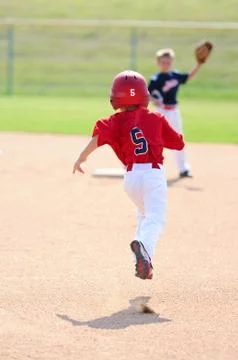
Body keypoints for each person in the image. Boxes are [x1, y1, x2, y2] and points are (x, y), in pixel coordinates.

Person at [73, 70, 184, 280]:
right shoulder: (156, 118)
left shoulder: (115, 121)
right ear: (145, 95)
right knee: (156, 219)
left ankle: (142, 262)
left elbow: (98, 137)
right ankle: (143, 248)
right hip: (152, 175)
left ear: (115, 97)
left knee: (143, 215)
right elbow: (178, 143)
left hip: (131, 180)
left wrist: (82, 157)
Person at [148, 48, 202, 178]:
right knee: (155, 139)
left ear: (172, 62)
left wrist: (199, 64)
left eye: (168, 62)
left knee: (178, 138)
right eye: (163, 62)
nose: (166, 64)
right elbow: (147, 93)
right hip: (161, 111)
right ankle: (148, 166)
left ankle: (183, 168)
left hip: (174, 111)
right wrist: (155, 100)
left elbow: (189, 76)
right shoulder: (156, 79)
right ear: (158, 62)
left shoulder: (175, 75)